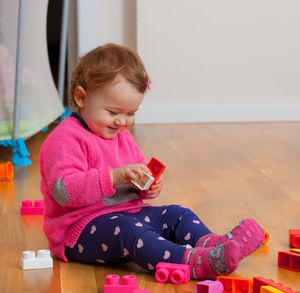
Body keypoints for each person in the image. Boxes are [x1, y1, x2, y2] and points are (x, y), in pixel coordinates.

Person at [39, 43, 266, 280]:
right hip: (80, 230)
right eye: (113, 112)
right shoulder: (66, 138)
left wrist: (148, 187)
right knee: (131, 232)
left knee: (178, 213)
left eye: (130, 113)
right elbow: (63, 192)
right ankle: (192, 261)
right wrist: (114, 176)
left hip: (130, 213)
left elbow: (137, 185)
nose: (122, 122)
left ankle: (214, 245)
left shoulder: (122, 137)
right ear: (81, 97)